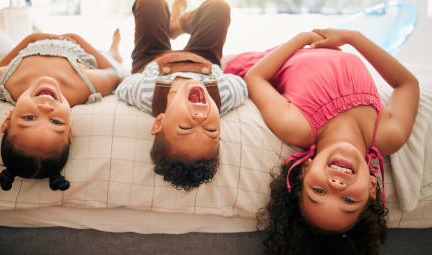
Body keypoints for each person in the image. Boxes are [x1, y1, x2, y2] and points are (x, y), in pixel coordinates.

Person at [224, 29, 419, 254]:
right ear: (372, 189)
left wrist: (304, 38)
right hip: (323, 47)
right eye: (348, 200)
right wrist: (353, 38)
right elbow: (407, 84)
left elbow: (255, 77)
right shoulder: (389, 134)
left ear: (305, 170)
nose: (335, 186)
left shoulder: (296, 126)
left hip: (273, 57)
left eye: (318, 191)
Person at [116, 0, 247, 191]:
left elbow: (124, 85)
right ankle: (180, 24)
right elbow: (242, 86)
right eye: (211, 130)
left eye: (186, 127)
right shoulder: (222, 95)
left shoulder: (148, 94)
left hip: (153, 58)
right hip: (203, 57)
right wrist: (222, 75)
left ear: (159, 122)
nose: (200, 117)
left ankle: (170, 23)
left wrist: (140, 74)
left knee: (150, 4)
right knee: (219, 8)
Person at [0, 30, 124, 191]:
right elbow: (113, 73)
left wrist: (31, 38)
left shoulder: (1, 82)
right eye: (56, 122)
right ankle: (114, 52)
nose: (45, 108)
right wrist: (78, 38)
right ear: (69, 131)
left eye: (29, 118)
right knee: (111, 59)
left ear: (8, 120)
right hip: (76, 47)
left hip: (36, 42)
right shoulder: (84, 86)